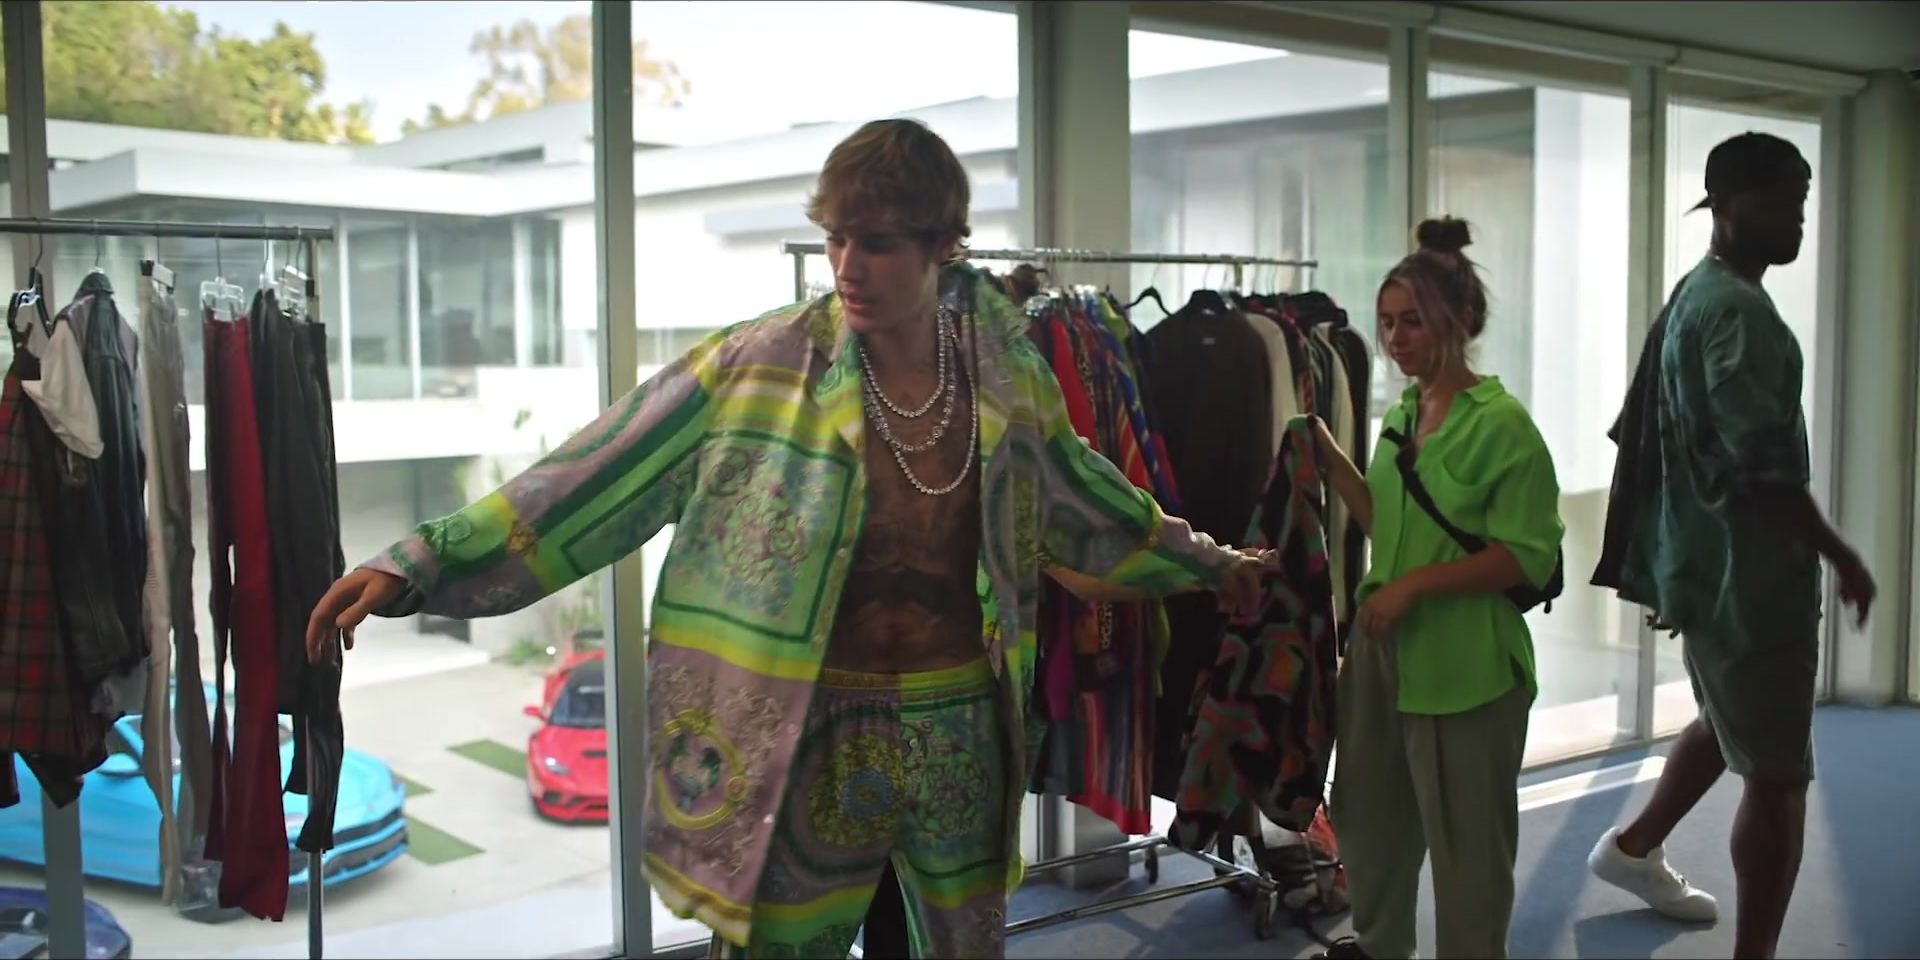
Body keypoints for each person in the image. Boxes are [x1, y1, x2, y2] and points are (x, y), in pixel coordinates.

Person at [303, 117, 1269, 960]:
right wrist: (422, 560)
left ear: (944, 245)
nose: (848, 266)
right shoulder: (758, 366)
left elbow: (1089, 503)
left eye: (877, 243)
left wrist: (1212, 565)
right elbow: (595, 472)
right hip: (803, 724)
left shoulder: (1008, 380)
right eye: (837, 237)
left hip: (958, 721)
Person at [1585, 131, 1875, 960]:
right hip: (1746, 583)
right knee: (1777, 778)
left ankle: (1632, 848)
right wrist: (1842, 556)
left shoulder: (1699, 292)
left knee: (1723, 720)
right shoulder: (1739, 314)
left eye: (1803, 201)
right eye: (1787, 200)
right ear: (1731, 204)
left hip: (1701, 568)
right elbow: (1765, 475)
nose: (1799, 218)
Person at [1309, 217, 1566, 960]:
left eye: (1412, 321)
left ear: (1461, 321)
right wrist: (1332, 463)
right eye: (1387, 322)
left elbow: (1524, 555)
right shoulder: (1403, 414)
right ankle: (1380, 945)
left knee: (1469, 854)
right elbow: (1393, 525)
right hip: (1384, 654)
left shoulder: (1503, 426)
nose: (1395, 338)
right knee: (1369, 819)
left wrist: (1417, 587)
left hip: (1467, 666)